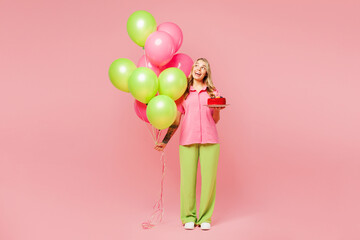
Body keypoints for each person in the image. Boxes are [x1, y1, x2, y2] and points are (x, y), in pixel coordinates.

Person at [154, 58, 225, 230]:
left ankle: (206, 218)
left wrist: (216, 108)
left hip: (210, 139)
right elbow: (176, 121)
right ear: (192, 69)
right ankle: (188, 217)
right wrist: (164, 141)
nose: (199, 69)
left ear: (206, 73)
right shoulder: (183, 92)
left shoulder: (213, 92)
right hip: (187, 140)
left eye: (203, 67)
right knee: (187, 180)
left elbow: (215, 120)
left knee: (209, 180)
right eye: (197, 65)